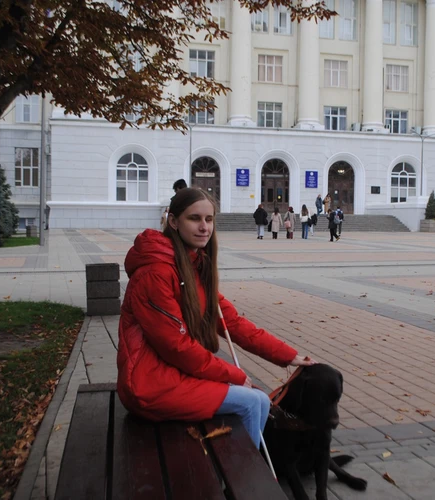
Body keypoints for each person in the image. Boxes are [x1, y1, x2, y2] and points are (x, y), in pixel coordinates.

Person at [117, 188, 315, 448]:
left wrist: (288, 356)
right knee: (254, 401)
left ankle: (246, 470)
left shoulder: (194, 264)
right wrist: (232, 374)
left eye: (209, 220)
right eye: (194, 219)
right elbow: (176, 347)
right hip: (148, 384)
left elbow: (232, 323)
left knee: (259, 399)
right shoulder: (156, 273)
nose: (204, 227)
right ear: (174, 222)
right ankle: (246, 479)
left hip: (171, 374)